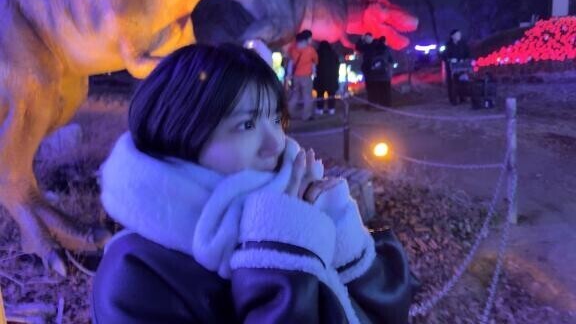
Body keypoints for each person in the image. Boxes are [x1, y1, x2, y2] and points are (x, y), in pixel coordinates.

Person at [91, 43, 413, 323]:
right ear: (180, 133)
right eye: (246, 124)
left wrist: (342, 235)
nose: (276, 144)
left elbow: (390, 312)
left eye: (275, 119)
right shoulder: (134, 276)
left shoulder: (296, 210)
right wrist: (280, 263)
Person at [355, 33, 395, 107]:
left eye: (366, 38)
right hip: (384, 74)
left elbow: (358, 48)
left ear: (370, 38)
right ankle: (386, 105)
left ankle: (373, 105)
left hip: (371, 74)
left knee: (372, 91)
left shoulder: (368, 47)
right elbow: (391, 60)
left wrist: (361, 39)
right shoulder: (385, 48)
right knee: (385, 91)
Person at [287, 29, 318, 120]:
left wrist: (289, 75)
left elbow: (290, 62)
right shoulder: (310, 50)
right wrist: (314, 72)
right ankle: (306, 115)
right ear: (306, 39)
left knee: (295, 95)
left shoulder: (293, 49)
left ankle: (288, 113)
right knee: (307, 96)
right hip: (306, 76)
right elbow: (315, 61)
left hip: (295, 76)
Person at [442, 29, 471, 105]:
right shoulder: (448, 45)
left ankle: (463, 97)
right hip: (451, 67)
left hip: (461, 65)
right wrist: (450, 59)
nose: (459, 36)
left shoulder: (463, 44)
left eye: (459, 34)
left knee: (462, 81)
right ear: (453, 36)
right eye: (457, 35)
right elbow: (444, 55)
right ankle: (453, 99)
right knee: (452, 83)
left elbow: (468, 53)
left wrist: (466, 59)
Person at [314, 41, 340, 115]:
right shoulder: (333, 53)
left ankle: (320, 109)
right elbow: (337, 64)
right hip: (332, 78)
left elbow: (315, 64)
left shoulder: (317, 53)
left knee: (320, 94)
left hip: (320, 78)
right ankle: (331, 109)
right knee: (331, 94)